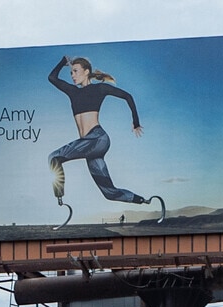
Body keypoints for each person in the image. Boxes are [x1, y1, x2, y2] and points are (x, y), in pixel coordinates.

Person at [47, 55, 162, 219]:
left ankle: (59, 197)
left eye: (75, 71)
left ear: (86, 72)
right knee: (109, 193)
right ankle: (143, 200)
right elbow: (52, 78)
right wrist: (63, 62)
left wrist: (136, 122)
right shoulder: (72, 91)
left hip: (97, 138)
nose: (72, 75)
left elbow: (128, 96)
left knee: (54, 157)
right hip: (90, 147)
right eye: (71, 72)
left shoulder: (99, 89)